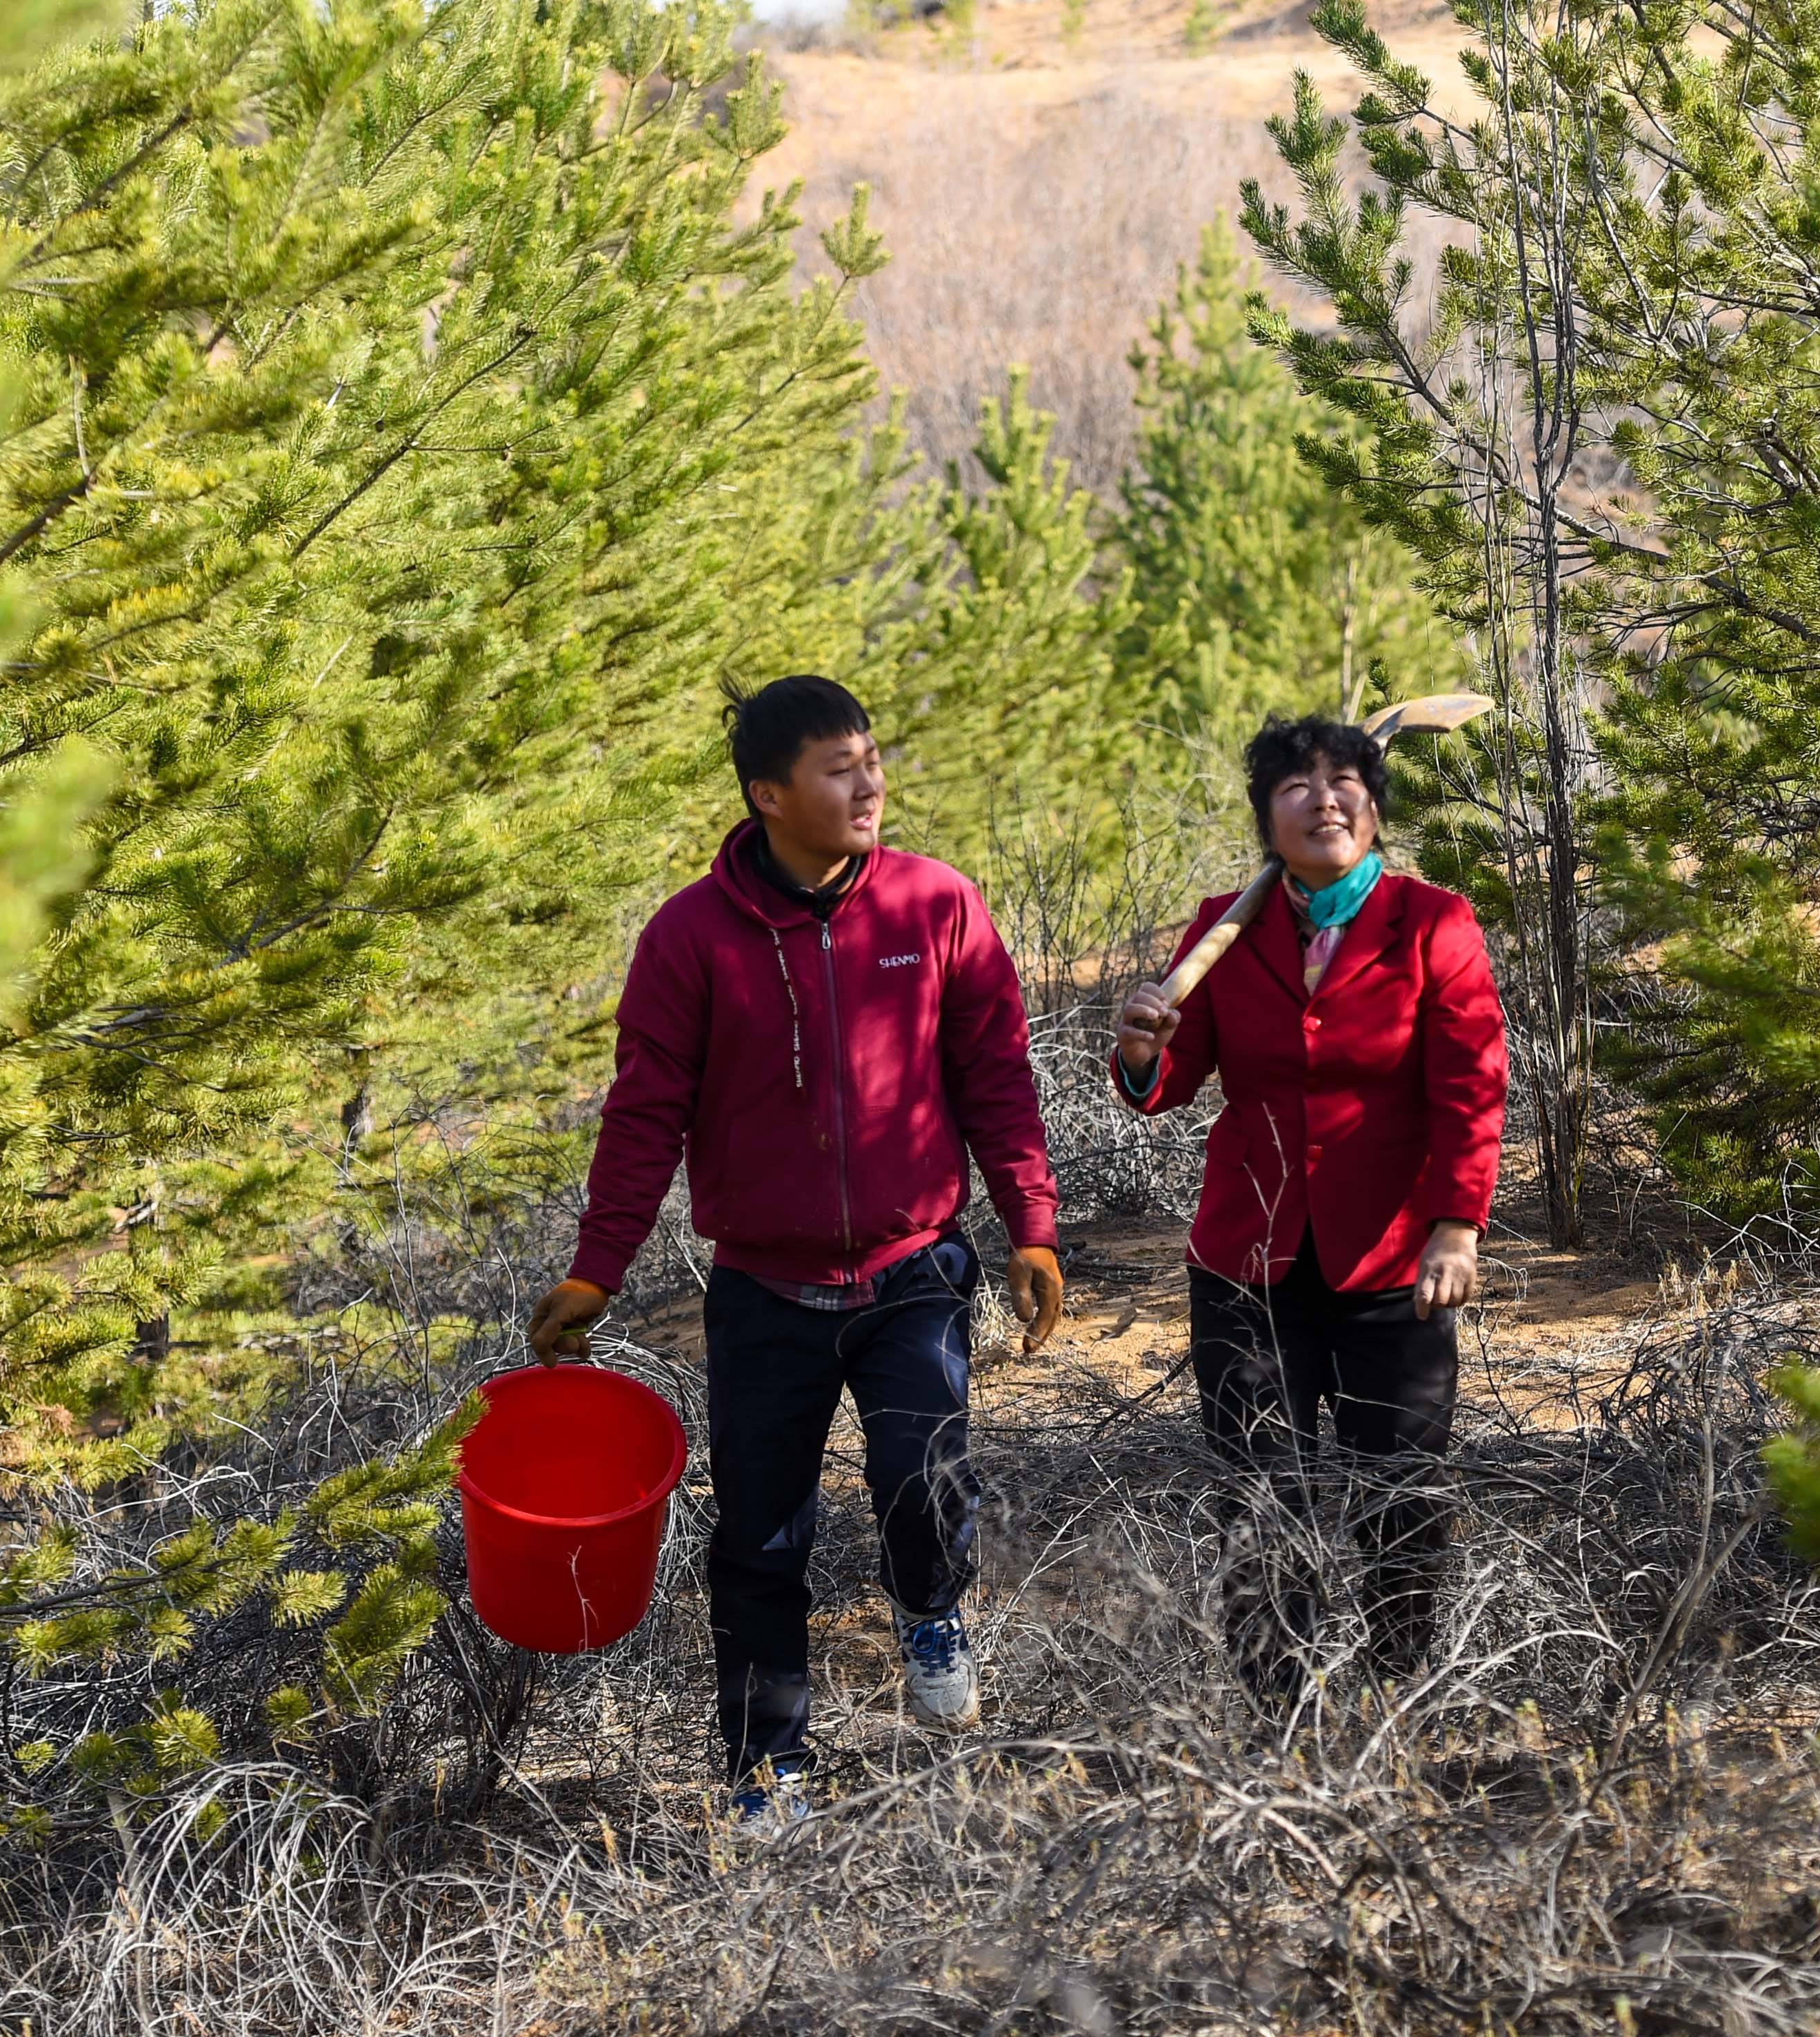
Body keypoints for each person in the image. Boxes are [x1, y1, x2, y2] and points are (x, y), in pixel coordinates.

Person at [525, 675, 1066, 1819]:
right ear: (768, 794)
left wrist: (1030, 1220)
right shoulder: (688, 939)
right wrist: (596, 1267)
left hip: (913, 1267)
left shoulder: (937, 905)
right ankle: (769, 1767)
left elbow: (996, 1077)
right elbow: (642, 1116)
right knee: (761, 1540)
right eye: (838, 767)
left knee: (923, 1480)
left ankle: (930, 1606)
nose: (868, 783)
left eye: (872, 757)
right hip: (764, 1290)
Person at [1109, 717, 1507, 1700]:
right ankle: (1276, 1704)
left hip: (1390, 1260)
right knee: (1258, 1492)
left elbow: (1472, 1083)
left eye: (1342, 780)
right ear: (1265, 816)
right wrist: (1141, 1052)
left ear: (1373, 807)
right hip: (1248, 1257)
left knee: (1397, 1494)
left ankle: (1393, 1687)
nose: (1322, 798)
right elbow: (1172, 1080)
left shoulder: (1433, 922)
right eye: (1295, 784)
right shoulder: (1222, 926)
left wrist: (1456, 1223)